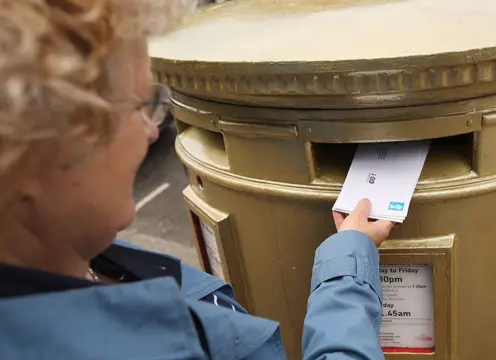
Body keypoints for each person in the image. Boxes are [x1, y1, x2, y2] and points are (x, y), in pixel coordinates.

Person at [0, 1, 395, 359]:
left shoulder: (83, 255)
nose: (152, 132)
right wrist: (348, 266)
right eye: (139, 106)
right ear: (31, 149)